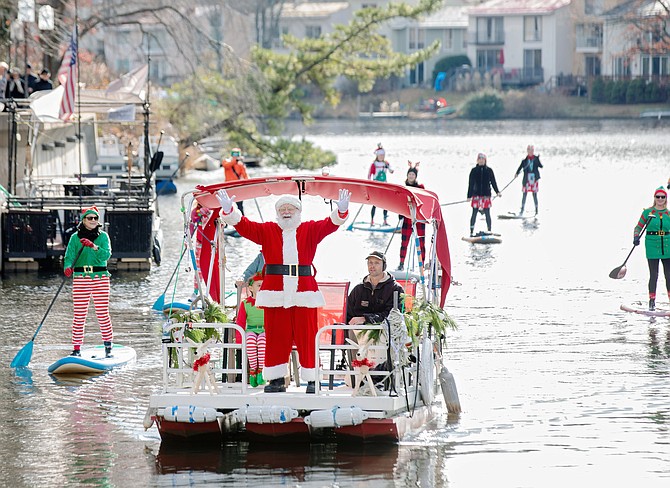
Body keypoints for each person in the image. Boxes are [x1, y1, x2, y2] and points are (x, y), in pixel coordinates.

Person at [215, 188, 351, 393]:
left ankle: (313, 380)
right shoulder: (268, 230)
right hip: (275, 292)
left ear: (298, 211)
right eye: (283, 209)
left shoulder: (309, 229)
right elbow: (246, 227)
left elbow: (329, 225)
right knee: (276, 337)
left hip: (303, 292)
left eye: (290, 208)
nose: (286, 212)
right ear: (278, 212)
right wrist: (230, 211)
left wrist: (340, 211)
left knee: (307, 337)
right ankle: (276, 379)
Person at [63, 206, 114, 358]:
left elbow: (106, 256)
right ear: (83, 220)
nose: (93, 221)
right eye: (90, 218)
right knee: (79, 315)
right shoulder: (74, 238)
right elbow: (69, 256)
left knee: (102, 313)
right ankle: (77, 349)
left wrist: (93, 246)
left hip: (100, 277)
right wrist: (67, 267)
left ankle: (108, 347)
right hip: (80, 278)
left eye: (95, 218)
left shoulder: (103, 237)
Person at [633, 187, 670, 311]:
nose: (660, 199)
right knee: (654, 275)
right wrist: (636, 237)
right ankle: (652, 302)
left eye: (662, 197)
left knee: (669, 275)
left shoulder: (668, 214)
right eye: (657, 197)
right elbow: (638, 227)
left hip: (667, 246)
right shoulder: (648, 213)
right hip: (651, 246)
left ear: (666, 199)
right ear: (654, 198)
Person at [236, 272, 267, 387]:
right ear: (250, 288)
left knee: (262, 342)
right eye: (259, 285)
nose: (262, 288)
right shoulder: (246, 304)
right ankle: (253, 370)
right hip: (251, 329)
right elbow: (240, 322)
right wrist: (239, 338)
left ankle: (261, 370)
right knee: (250, 341)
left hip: (264, 330)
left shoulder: (267, 303)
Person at [398, 162, 426, 271]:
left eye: (413, 175)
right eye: (409, 174)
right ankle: (401, 263)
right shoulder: (403, 187)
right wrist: (400, 214)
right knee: (404, 242)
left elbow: (423, 200)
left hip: (419, 218)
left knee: (421, 243)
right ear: (407, 175)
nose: (411, 176)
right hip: (407, 218)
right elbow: (400, 202)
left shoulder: (420, 187)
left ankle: (422, 264)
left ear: (415, 176)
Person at [467, 152, 501, 237]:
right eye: (480, 159)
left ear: (485, 160)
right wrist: (469, 196)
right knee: (474, 213)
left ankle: (489, 230)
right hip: (476, 196)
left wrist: (497, 192)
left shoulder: (489, 170)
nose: (481, 161)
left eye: (483, 159)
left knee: (487, 213)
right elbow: (470, 184)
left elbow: (493, 182)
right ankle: (471, 231)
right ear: (477, 160)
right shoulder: (474, 171)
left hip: (486, 196)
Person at [189, 201, 211, 299]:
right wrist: (187, 239)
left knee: (211, 268)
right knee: (198, 269)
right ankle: (196, 291)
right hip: (200, 243)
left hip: (211, 244)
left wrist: (207, 214)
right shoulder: (195, 211)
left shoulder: (212, 209)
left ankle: (210, 293)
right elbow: (191, 225)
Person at [368, 143, 393, 226]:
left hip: (384, 185)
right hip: (376, 185)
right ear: (377, 155)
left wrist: (390, 169)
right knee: (375, 204)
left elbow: (391, 170)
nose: (382, 157)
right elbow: (369, 175)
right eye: (380, 155)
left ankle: (385, 220)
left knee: (386, 204)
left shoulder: (386, 163)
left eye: (383, 155)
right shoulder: (374, 164)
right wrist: (369, 184)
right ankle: (372, 220)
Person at [515, 145, 543, 215]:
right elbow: (520, 167)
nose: (530, 152)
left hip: (534, 179)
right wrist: (516, 173)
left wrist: (537, 159)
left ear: (533, 151)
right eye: (529, 150)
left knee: (534, 195)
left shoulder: (536, 159)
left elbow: (541, 166)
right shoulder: (524, 161)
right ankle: (522, 209)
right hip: (526, 179)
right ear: (527, 151)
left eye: (532, 150)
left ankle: (536, 210)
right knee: (524, 194)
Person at [222, 147, 249, 215]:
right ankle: (225, 223)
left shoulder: (240, 164)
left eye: (237, 154)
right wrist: (235, 160)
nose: (235, 155)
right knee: (226, 207)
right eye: (234, 154)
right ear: (231, 154)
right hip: (228, 187)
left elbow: (245, 175)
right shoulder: (226, 161)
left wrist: (248, 183)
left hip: (237, 187)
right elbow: (226, 166)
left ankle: (243, 220)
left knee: (240, 206)